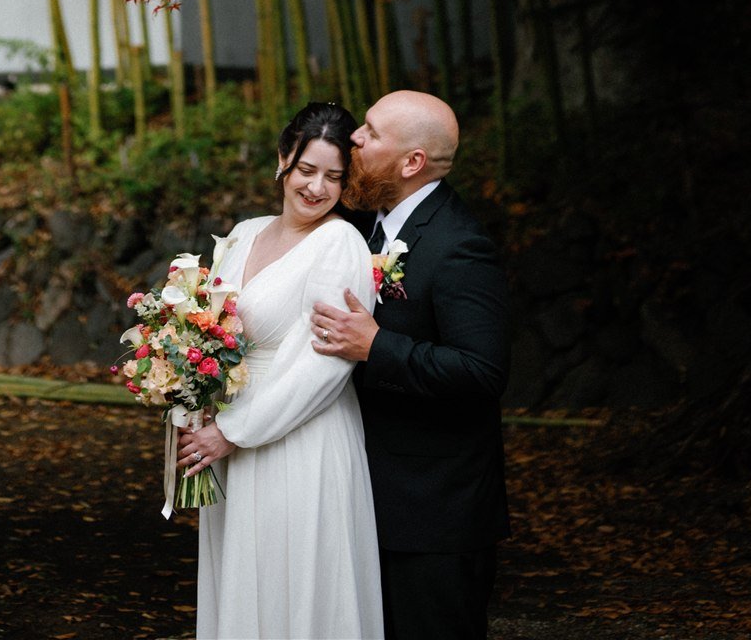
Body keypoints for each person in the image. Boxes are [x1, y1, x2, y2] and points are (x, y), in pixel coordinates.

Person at [311, 89, 510, 640]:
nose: (354, 137)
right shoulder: (366, 225)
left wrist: (378, 347)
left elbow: (483, 371)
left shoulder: (459, 246)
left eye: (370, 132)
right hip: (367, 495)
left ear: (412, 163)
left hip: (434, 514)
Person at [182, 99, 383, 640]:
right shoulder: (245, 233)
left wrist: (232, 432)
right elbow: (210, 329)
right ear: (283, 161)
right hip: (230, 428)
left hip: (301, 434)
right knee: (244, 576)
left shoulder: (341, 243)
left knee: (297, 576)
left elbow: (321, 366)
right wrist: (190, 394)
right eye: (307, 169)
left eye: (334, 177)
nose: (317, 188)